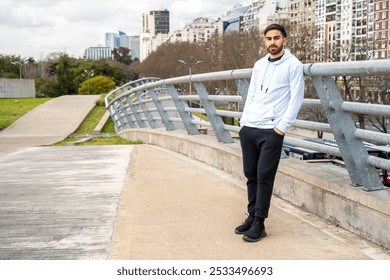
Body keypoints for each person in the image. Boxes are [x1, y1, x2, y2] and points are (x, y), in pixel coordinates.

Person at [235, 23, 305, 242]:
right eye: (268, 39)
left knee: (264, 176)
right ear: (264, 41)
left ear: (284, 40)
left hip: (271, 130)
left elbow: (296, 98)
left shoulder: (293, 65)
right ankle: (251, 216)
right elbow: (253, 94)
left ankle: (259, 224)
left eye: (276, 38)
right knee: (251, 175)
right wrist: (243, 123)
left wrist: (280, 128)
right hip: (251, 128)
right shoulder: (258, 65)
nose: (272, 42)